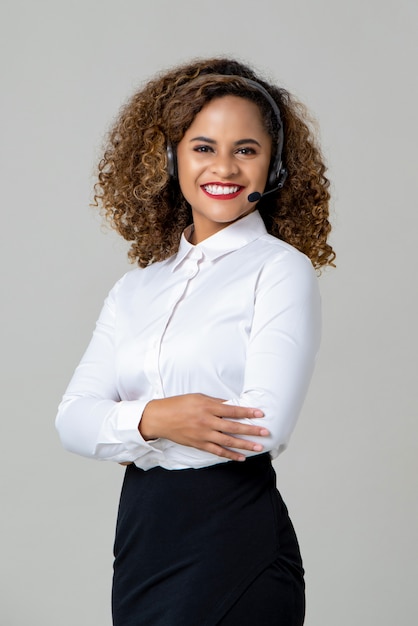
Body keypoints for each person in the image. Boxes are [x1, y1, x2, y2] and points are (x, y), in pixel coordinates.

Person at [56, 57, 335, 626]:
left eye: (247, 149)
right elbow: (71, 420)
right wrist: (158, 419)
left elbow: (261, 428)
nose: (225, 167)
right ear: (170, 159)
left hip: (233, 535)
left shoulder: (280, 271)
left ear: (274, 168)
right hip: (142, 536)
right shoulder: (135, 289)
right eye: (203, 147)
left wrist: (127, 424)